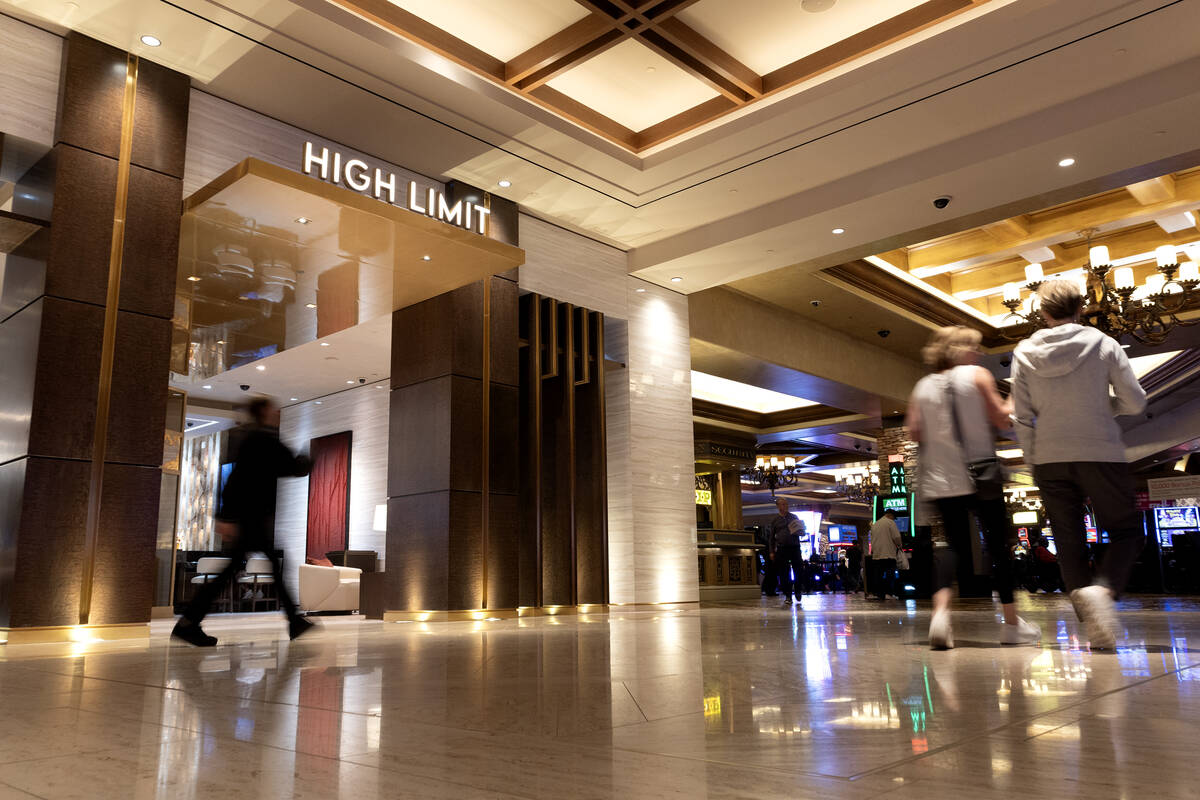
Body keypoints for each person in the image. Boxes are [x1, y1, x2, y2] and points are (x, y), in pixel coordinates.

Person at [1010, 279, 1147, 649]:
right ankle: (1104, 592)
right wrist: (1107, 408)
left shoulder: (1024, 352)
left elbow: (1021, 417)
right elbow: (1134, 402)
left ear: (1042, 313)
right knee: (1125, 530)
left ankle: (1093, 625)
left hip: (1050, 457)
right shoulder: (1104, 344)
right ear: (1081, 308)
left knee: (1068, 540)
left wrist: (1032, 457)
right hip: (1099, 450)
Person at [906, 325, 1039, 649]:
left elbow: (914, 432)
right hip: (979, 474)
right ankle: (1010, 624)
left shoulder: (923, 386)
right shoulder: (977, 375)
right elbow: (1001, 419)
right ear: (961, 350)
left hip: (940, 479)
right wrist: (1017, 396)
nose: (979, 353)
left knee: (951, 547)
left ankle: (940, 617)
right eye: (975, 347)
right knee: (997, 546)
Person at [173, 397, 315, 647]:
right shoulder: (261, 440)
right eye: (273, 408)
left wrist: (225, 516)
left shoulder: (260, 438)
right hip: (251, 518)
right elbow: (243, 479)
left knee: (247, 568)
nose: (278, 412)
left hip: (251, 517)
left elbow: (282, 468)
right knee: (243, 570)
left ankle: (294, 622)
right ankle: (188, 623)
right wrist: (225, 517)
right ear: (263, 412)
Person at [767, 497, 806, 605]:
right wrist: (771, 551)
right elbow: (771, 538)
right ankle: (788, 595)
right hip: (782, 548)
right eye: (782, 504)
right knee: (784, 573)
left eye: (786, 504)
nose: (784, 506)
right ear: (778, 506)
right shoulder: (775, 520)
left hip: (795, 547)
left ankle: (798, 590)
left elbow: (802, 532)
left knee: (798, 570)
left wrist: (799, 532)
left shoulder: (794, 517)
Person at [867, 510, 902, 600]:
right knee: (890, 575)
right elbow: (896, 537)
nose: (894, 519)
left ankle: (879, 594)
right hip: (888, 554)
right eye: (894, 517)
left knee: (878, 576)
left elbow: (872, 540)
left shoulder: (875, 524)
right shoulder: (890, 523)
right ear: (890, 515)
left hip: (877, 554)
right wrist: (900, 545)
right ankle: (888, 593)